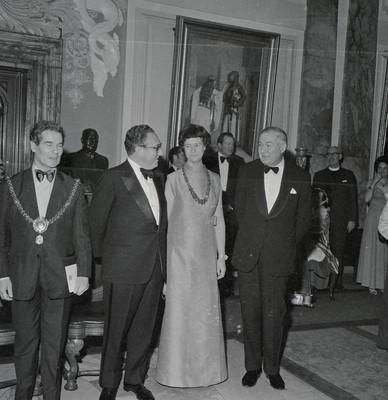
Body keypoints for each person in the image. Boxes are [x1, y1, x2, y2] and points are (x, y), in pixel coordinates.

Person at [0, 120, 91, 400]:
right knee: (25, 347)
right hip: (21, 278)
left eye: (60, 145)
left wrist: (85, 273)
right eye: (49, 144)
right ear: (33, 146)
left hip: (60, 279)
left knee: (54, 347)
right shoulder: (11, 186)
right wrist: (3, 275)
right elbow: (2, 237)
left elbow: (82, 238)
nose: (55, 151)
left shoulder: (73, 188)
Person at [89, 124, 167, 400]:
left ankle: (134, 380)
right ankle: (109, 384)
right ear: (137, 149)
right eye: (155, 147)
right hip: (122, 268)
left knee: (144, 329)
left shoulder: (159, 177)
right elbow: (95, 225)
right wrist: (109, 262)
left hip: (154, 268)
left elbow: (161, 227)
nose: (160, 151)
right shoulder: (113, 177)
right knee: (116, 330)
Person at [232, 126, 311, 391]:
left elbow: (303, 223)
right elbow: (240, 214)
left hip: (279, 256)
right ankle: (252, 367)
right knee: (250, 312)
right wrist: (255, 239)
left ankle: (273, 369)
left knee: (275, 314)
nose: (262, 150)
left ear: (282, 146)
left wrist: (281, 244)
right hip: (249, 255)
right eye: (260, 144)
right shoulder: (246, 172)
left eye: (268, 145)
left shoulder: (300, 176)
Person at [156, 124, 228, 387]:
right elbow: (166, 227)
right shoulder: (173, 180)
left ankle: (206, 373)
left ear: (206, 146)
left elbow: (218, 218)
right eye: (188, 146)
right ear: (182, 149)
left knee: (203, 314)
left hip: (206, 255)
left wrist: (221, 257)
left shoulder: (216, 179)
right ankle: (174, 374)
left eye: (198, 145)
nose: (194, 150)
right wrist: (165, 270)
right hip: (180, 258)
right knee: (179, 314)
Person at [203, 132, 245, 296]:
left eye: (232, 144)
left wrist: (232, 205)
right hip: (213, 208)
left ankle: (226, 284)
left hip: (232, 210)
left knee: (230, 245)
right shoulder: (207, 160)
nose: (230, 147)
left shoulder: (239, 162)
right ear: (219, 145)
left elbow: (242, 187)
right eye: (227, 143)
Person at [313, 146, 358, 290]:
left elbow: (353, 199)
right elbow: (314, 199)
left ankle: (336, 282)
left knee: (338, 250)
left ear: (340, 156)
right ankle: (321, 282)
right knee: (322, 250)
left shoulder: (349, 175)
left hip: (341, 220)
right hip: (322, 220)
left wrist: (352, 219)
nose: (331, 157)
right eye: (329, 154)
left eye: (335, 154)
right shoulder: (319, 175)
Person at [357, 156, 388, 294]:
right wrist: (374, 182)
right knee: (372, 249)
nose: (382, 171)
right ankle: (371, 283)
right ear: (376, 169)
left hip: (386, 219)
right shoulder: (371, 182)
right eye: (380, 168)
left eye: (385, 168)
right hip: (373, 219)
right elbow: (367, 198)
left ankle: (382, 283)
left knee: (383, 251)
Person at [61, 128, 109, 194]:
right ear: (82, 140)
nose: (92, 142)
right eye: (89, 139)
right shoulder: (70, 158)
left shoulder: (103, 161)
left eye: (95, 139)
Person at [221, 71, 246, 139]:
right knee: (226, 126)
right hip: (228, 109)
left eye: (233, 76)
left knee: (233, 127)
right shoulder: (229, 87)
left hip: (235, 110)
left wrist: (236, 104)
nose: (231, 78)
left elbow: (243, 97)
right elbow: (224, 97)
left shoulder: (239, 87)